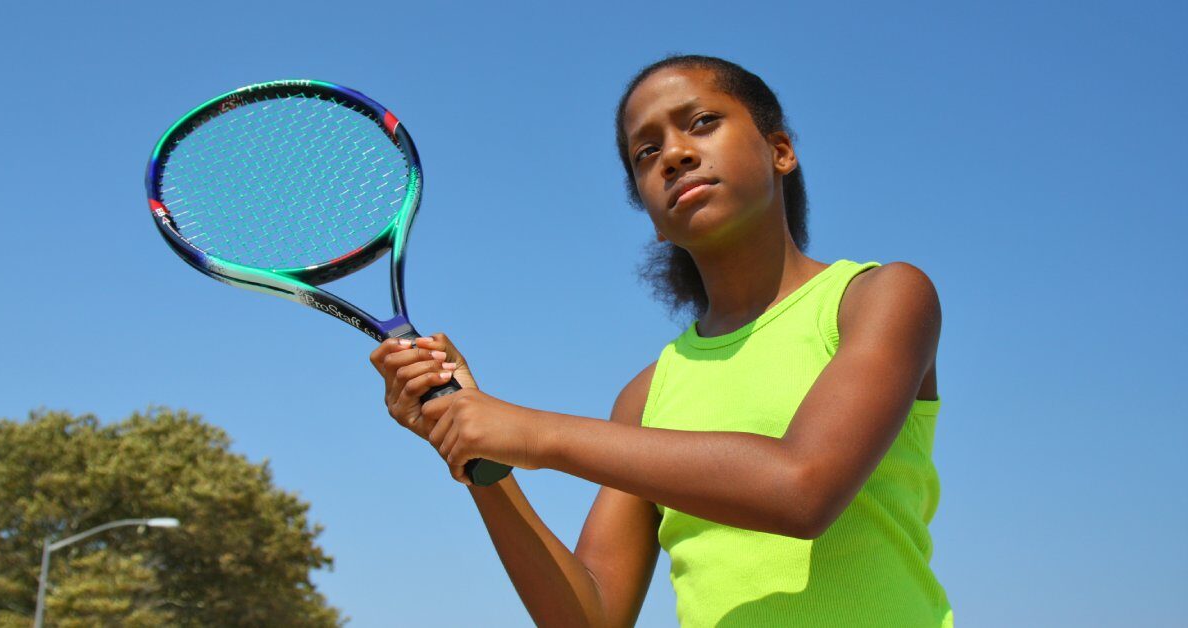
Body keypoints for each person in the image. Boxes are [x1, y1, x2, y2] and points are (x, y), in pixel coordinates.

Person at [369, 55, 953, 627]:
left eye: (702, 123)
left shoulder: (879, 297)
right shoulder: (646, 397)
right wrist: (480, 458)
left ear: (781, 151)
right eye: (645, 153)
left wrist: (530, 431)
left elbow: (801, 489)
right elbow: (590, 617)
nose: (674, 154)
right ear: (651, 213)